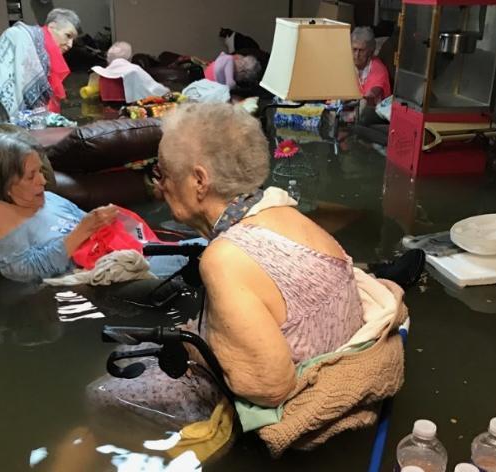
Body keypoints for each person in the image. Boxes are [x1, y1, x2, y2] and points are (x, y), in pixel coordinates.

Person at [86, 103, 365, 428]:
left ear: (199, 181)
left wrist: (193, 350)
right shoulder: (282, 211)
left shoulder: (226, 259)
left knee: (100, 394)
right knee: (133, 347)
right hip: (324, 354)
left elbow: (269, 387)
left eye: (162, 173)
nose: (159, 187)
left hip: (278, 400)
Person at [0, 132, 199, 283]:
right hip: (104, 277)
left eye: (40, 171)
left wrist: (102, 220)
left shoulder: (49, 198)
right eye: (31, 176)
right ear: (8, 183)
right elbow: (20, 273)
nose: (42, 181)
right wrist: (83, 230)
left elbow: (97, 233)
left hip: (130, 255)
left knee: (208, 247)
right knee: (206, 259)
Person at [0, 8, 80, 123]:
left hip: (27, 120)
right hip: (4, 113)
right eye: (68, 35)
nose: (70, 44)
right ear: (52, 26)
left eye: (73, 40)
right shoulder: (19, 36)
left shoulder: (47, 56)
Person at [84, 40, 169, 103]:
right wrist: (167, 92)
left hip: (106, 109)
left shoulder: (100, 74)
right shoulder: (134, 70)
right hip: (132, 109)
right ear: (129, 57)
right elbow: (154, 89)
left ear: (108, 58)